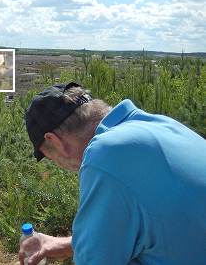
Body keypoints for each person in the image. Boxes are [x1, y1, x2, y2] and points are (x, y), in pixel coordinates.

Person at [20, 82, 206, 265]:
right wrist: (69, 244)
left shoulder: (105, 154)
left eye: (50, 157)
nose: (58, 165)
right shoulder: (160, 125)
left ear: (54, 140)